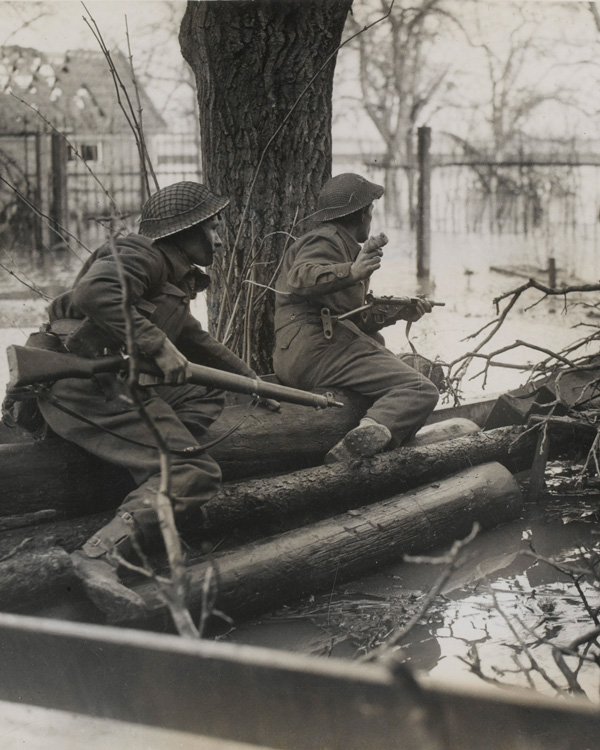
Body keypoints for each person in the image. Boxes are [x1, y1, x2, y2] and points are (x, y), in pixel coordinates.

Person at [35, 181, 261, 615]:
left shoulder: (171, 276)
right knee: (194, 470)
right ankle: (98, 556)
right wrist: (155, 344)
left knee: (205, 392)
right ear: (186, 231)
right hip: (84, 385)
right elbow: (94, 293)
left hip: (109, 383)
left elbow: (198, 343)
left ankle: (151, 475)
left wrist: (252, 381)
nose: (217, 238)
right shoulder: (143, 254)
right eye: (212, 228)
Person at [273, 172, 439, 463]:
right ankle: (367, 434)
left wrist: (402, 311)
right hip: (318, 351)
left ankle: (372, 432)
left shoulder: (343, 246)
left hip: (306, 353)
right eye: (371, 210)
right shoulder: (324, 240)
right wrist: (351, 271)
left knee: (381, 348)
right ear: (363, 213)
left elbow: (351, 317)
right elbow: (299, 277)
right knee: (420, 387)